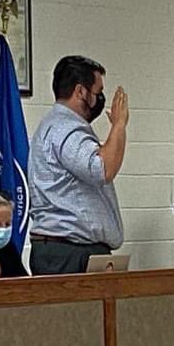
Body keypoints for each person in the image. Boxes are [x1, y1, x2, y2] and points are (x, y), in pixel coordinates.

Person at [28, 56, 128, 274]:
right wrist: (119, 125)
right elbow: (102, 169)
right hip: (70, 251)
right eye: (98, 91)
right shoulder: (67, 128)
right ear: (81, 92)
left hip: (65, 248)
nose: (101, 98)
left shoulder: (54, 125)